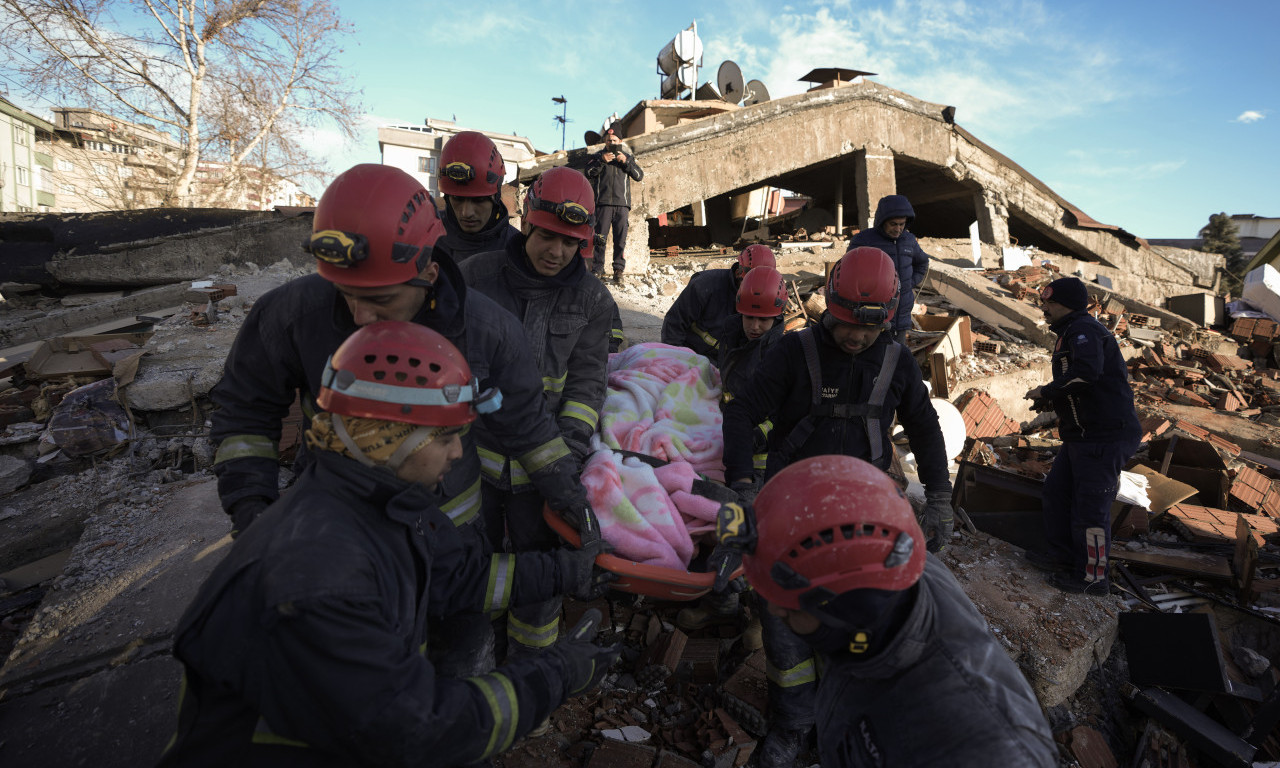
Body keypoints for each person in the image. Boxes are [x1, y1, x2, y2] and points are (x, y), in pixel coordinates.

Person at [158, 322, 619, 768]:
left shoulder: (381, 504)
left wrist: (565, 571)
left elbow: (451, 578)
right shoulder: (318, 577)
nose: (459, 453)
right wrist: (556, 674)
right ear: (388, 439)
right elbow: (415, 732)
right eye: (445, 437)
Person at [209, 163, 599, 675]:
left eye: (381, 299)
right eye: (346, 294)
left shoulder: (486, 331)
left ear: (428, 273)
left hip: (449, 532)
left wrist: (566, 493)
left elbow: (524, 423)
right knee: (360, 676)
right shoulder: (294, 314)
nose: (361, 317)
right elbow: (244, 410)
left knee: (453, 659)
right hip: (337, 536)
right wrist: (252, 508)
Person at [720, 246, 954, 768]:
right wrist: (740, 484)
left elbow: (925, 428)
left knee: (857, 626)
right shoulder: (793, 352)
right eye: (847, 324)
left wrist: (939, 497)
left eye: (867, 330)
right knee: (784, 626)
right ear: (830, 305)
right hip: (792, 511)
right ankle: (793, 722)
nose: (855, 337)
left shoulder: (895, 363)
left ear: (887, 319)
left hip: (863, 517)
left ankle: (843, 722)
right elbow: (740, 416)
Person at [715, 455, 1058, 768]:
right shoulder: (884, 586)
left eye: (789, 603)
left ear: (848, 606)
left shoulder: (982, 746)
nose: (775, 609)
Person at [459, 166, 618, 657]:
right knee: (471, 568)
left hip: (543, 471)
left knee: (540, 573)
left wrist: (563, 461)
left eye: (570, 243)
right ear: (527, 223)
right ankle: (470, 664)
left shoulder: (592, 299)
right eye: (548, 236)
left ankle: (532, 672)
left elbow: (587, 384)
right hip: (471, 464)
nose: (557, 252)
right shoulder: (475, 278)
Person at [676, 265, 789, 633]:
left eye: (764, 319)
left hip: (760, 463)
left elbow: (791, 412)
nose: (755, 326)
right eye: (750, 317)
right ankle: (728, 601)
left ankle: (750, 612)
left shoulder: (784, 355)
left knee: (745, 536)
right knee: (717, 527)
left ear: (779, 315)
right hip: (728, 451)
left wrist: (760, 433)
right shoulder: (730, 334)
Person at [1024, 277, 1141, 595]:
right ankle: (1063, 559)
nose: (1043, 307)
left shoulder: (1083, 330)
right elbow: (1079, 383)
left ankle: (1092, 579)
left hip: (1104, 437)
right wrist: (1049, 400)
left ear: (1065, 304)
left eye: (1048, 302)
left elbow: (1087, 373)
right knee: (1057, 493)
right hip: (1082, 436)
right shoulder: (1069, 333)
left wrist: (1047, 390)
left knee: (1090, 510)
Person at [661, 244, 776, 360]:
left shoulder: (770, 295)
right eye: (749, 286)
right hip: (693, 357)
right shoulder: (704, 285)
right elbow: (674, 323)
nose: (754, 294)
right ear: (738, 273)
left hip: (728, 365)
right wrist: (674, 360)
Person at [847, 194, 930, 344]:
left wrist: (909, 283)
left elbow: (922, 263)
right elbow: (848, 269)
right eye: (893, 224)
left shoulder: (909, 240)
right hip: (873, 316)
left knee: (896, 357)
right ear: (882, 221)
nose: (898, 229)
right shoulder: (864, 240)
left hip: (902, 316)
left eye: (902, 224)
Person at [435, 131, 520, 263]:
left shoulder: (517, 251)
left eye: (478, 200)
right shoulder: (425, 237)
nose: (466, 213)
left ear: (495, 197)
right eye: (457, 199)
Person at [584, 126, 643, 283]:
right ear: (605, 141)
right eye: (609, 140)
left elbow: (639, 176)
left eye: (614, 140)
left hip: (622, 205)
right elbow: (588, 173)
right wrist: (602, 162)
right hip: (602, 204)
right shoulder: (598, 156)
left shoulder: (628, 157)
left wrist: (626, 163)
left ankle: (618, 271)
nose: (611, 142)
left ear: (620, 141)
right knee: (600, 238)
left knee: (620, 239)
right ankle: (597, 269)